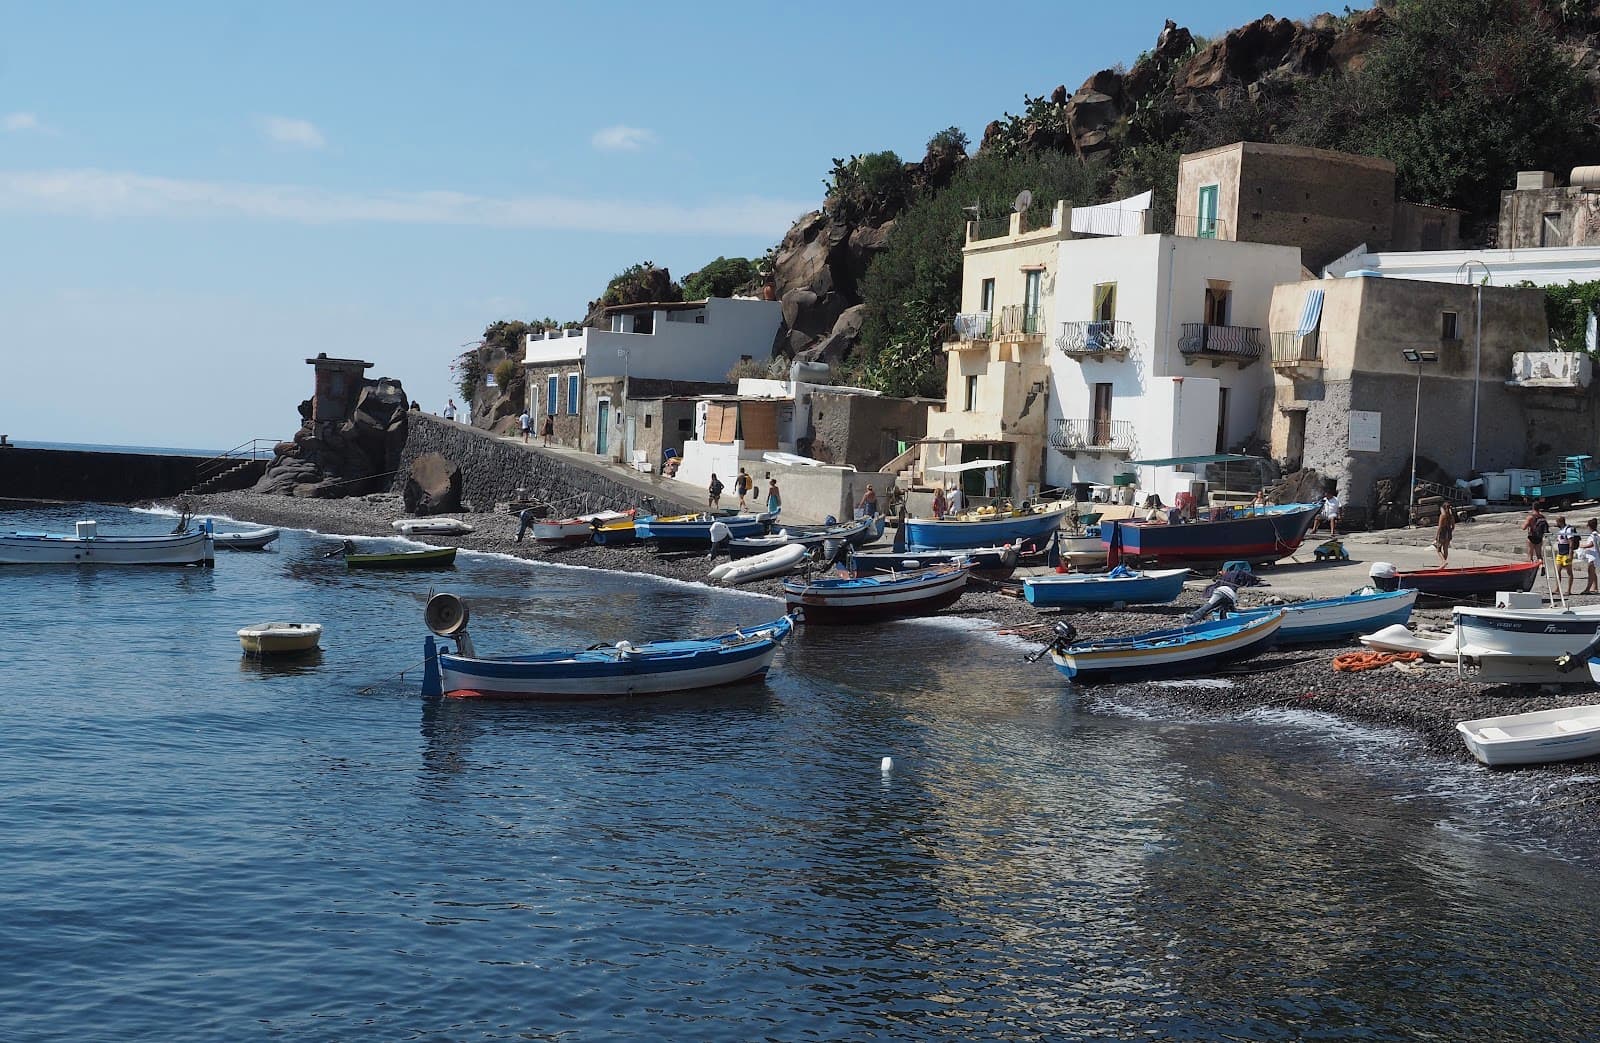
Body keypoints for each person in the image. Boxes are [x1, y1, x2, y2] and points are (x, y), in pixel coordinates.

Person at [1557, 515, 1577, 593]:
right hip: (1560, 553)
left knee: (1569, 571)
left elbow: (1571, 542)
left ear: (1560, 522)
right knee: (1558, 571)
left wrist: (1570, 554)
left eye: (1557, 522)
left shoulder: (1568, 530)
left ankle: (1569, 590)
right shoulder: (1560, 530)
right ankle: (1557, 588)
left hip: (1566, 553)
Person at [1579, 519, 1599, 595]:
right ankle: (1595, 587)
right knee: (1593, 572)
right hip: (1595, 555)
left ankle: (1588, 589)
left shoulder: (1593, 535)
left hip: (1593, 556)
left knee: (1590, 572)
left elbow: (1591, 544)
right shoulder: (1597, 534)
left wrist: (1582, 546)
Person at [1434, 500, 1456, 568]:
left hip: (1442, 533)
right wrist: (1450, 531)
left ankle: (1444, 561)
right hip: (1448, 532)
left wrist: (1436, 536)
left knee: (1438, 549)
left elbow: (1440, 527)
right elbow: (1453, 527)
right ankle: (1443, 564)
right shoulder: (1451, 516)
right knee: (1445, 549)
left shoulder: (1442, 516)